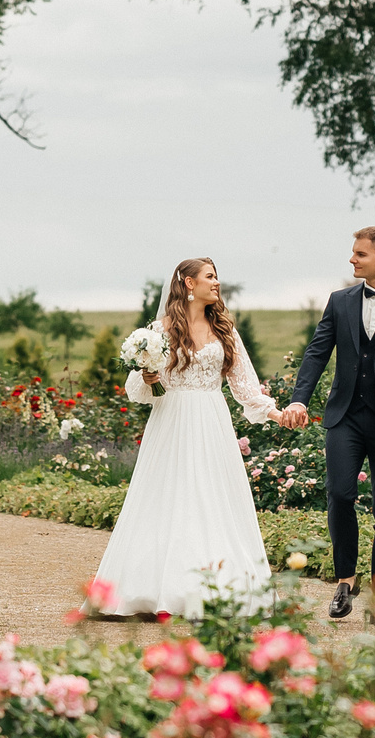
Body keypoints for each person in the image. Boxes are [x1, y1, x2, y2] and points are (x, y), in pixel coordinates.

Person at [90, 256, 278, 620]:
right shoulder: (159, 330)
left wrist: (275, 413)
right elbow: (136, 390)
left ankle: (214, 587)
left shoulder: (225, 330)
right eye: (210, 276)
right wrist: (148, 378)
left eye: (216, 276)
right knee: (166, 499)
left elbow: (245, 388)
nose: (216, 283)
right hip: (172, 421)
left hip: (212, 421)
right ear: (189, 283)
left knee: (212, 498)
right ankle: (150, 588)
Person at [278, 227, 375, 621]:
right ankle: (345, 581)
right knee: (340, 494)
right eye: (353, 253)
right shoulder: (340, 301)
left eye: (360, 254)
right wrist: (299, 398)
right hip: (345, 415)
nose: (352, 260)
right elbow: (317, 353)